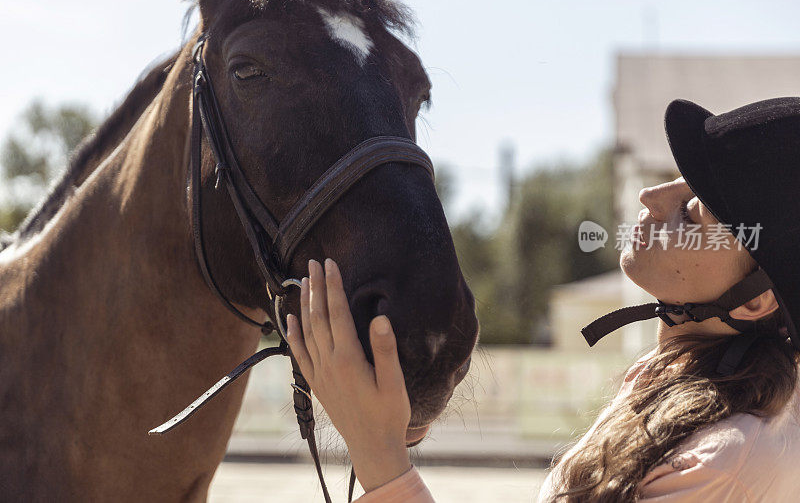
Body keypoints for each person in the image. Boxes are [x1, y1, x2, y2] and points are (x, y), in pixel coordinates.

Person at [285, 97, 800, 502]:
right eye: (676, 180)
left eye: (692, 212)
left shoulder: (725, 465)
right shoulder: (679, 380)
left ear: (756, 303)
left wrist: (378, 455)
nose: (652, 198)